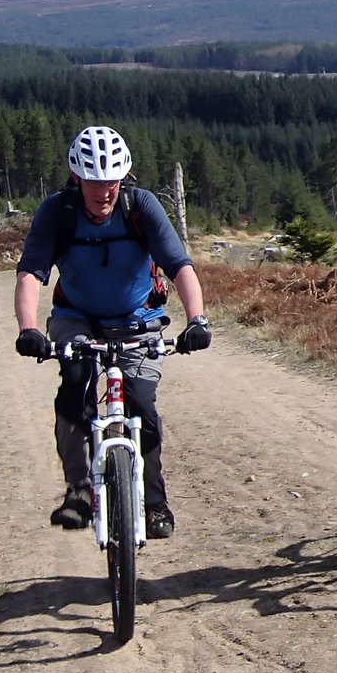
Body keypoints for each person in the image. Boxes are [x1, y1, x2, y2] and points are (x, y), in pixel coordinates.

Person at [14, 124, 211, 539]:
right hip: (77, 317)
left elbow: (180, 266)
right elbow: (32, 273)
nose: (103, 193)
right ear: (76, 179)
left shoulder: (141, 207)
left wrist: (197, 320)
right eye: (93, 183)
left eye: (110, 183)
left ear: (123, 180)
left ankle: (155, 502)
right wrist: (29, 329)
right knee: (74, 390)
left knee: (141, 403)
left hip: (138, 318)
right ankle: (79, 491)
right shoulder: (58, 212)